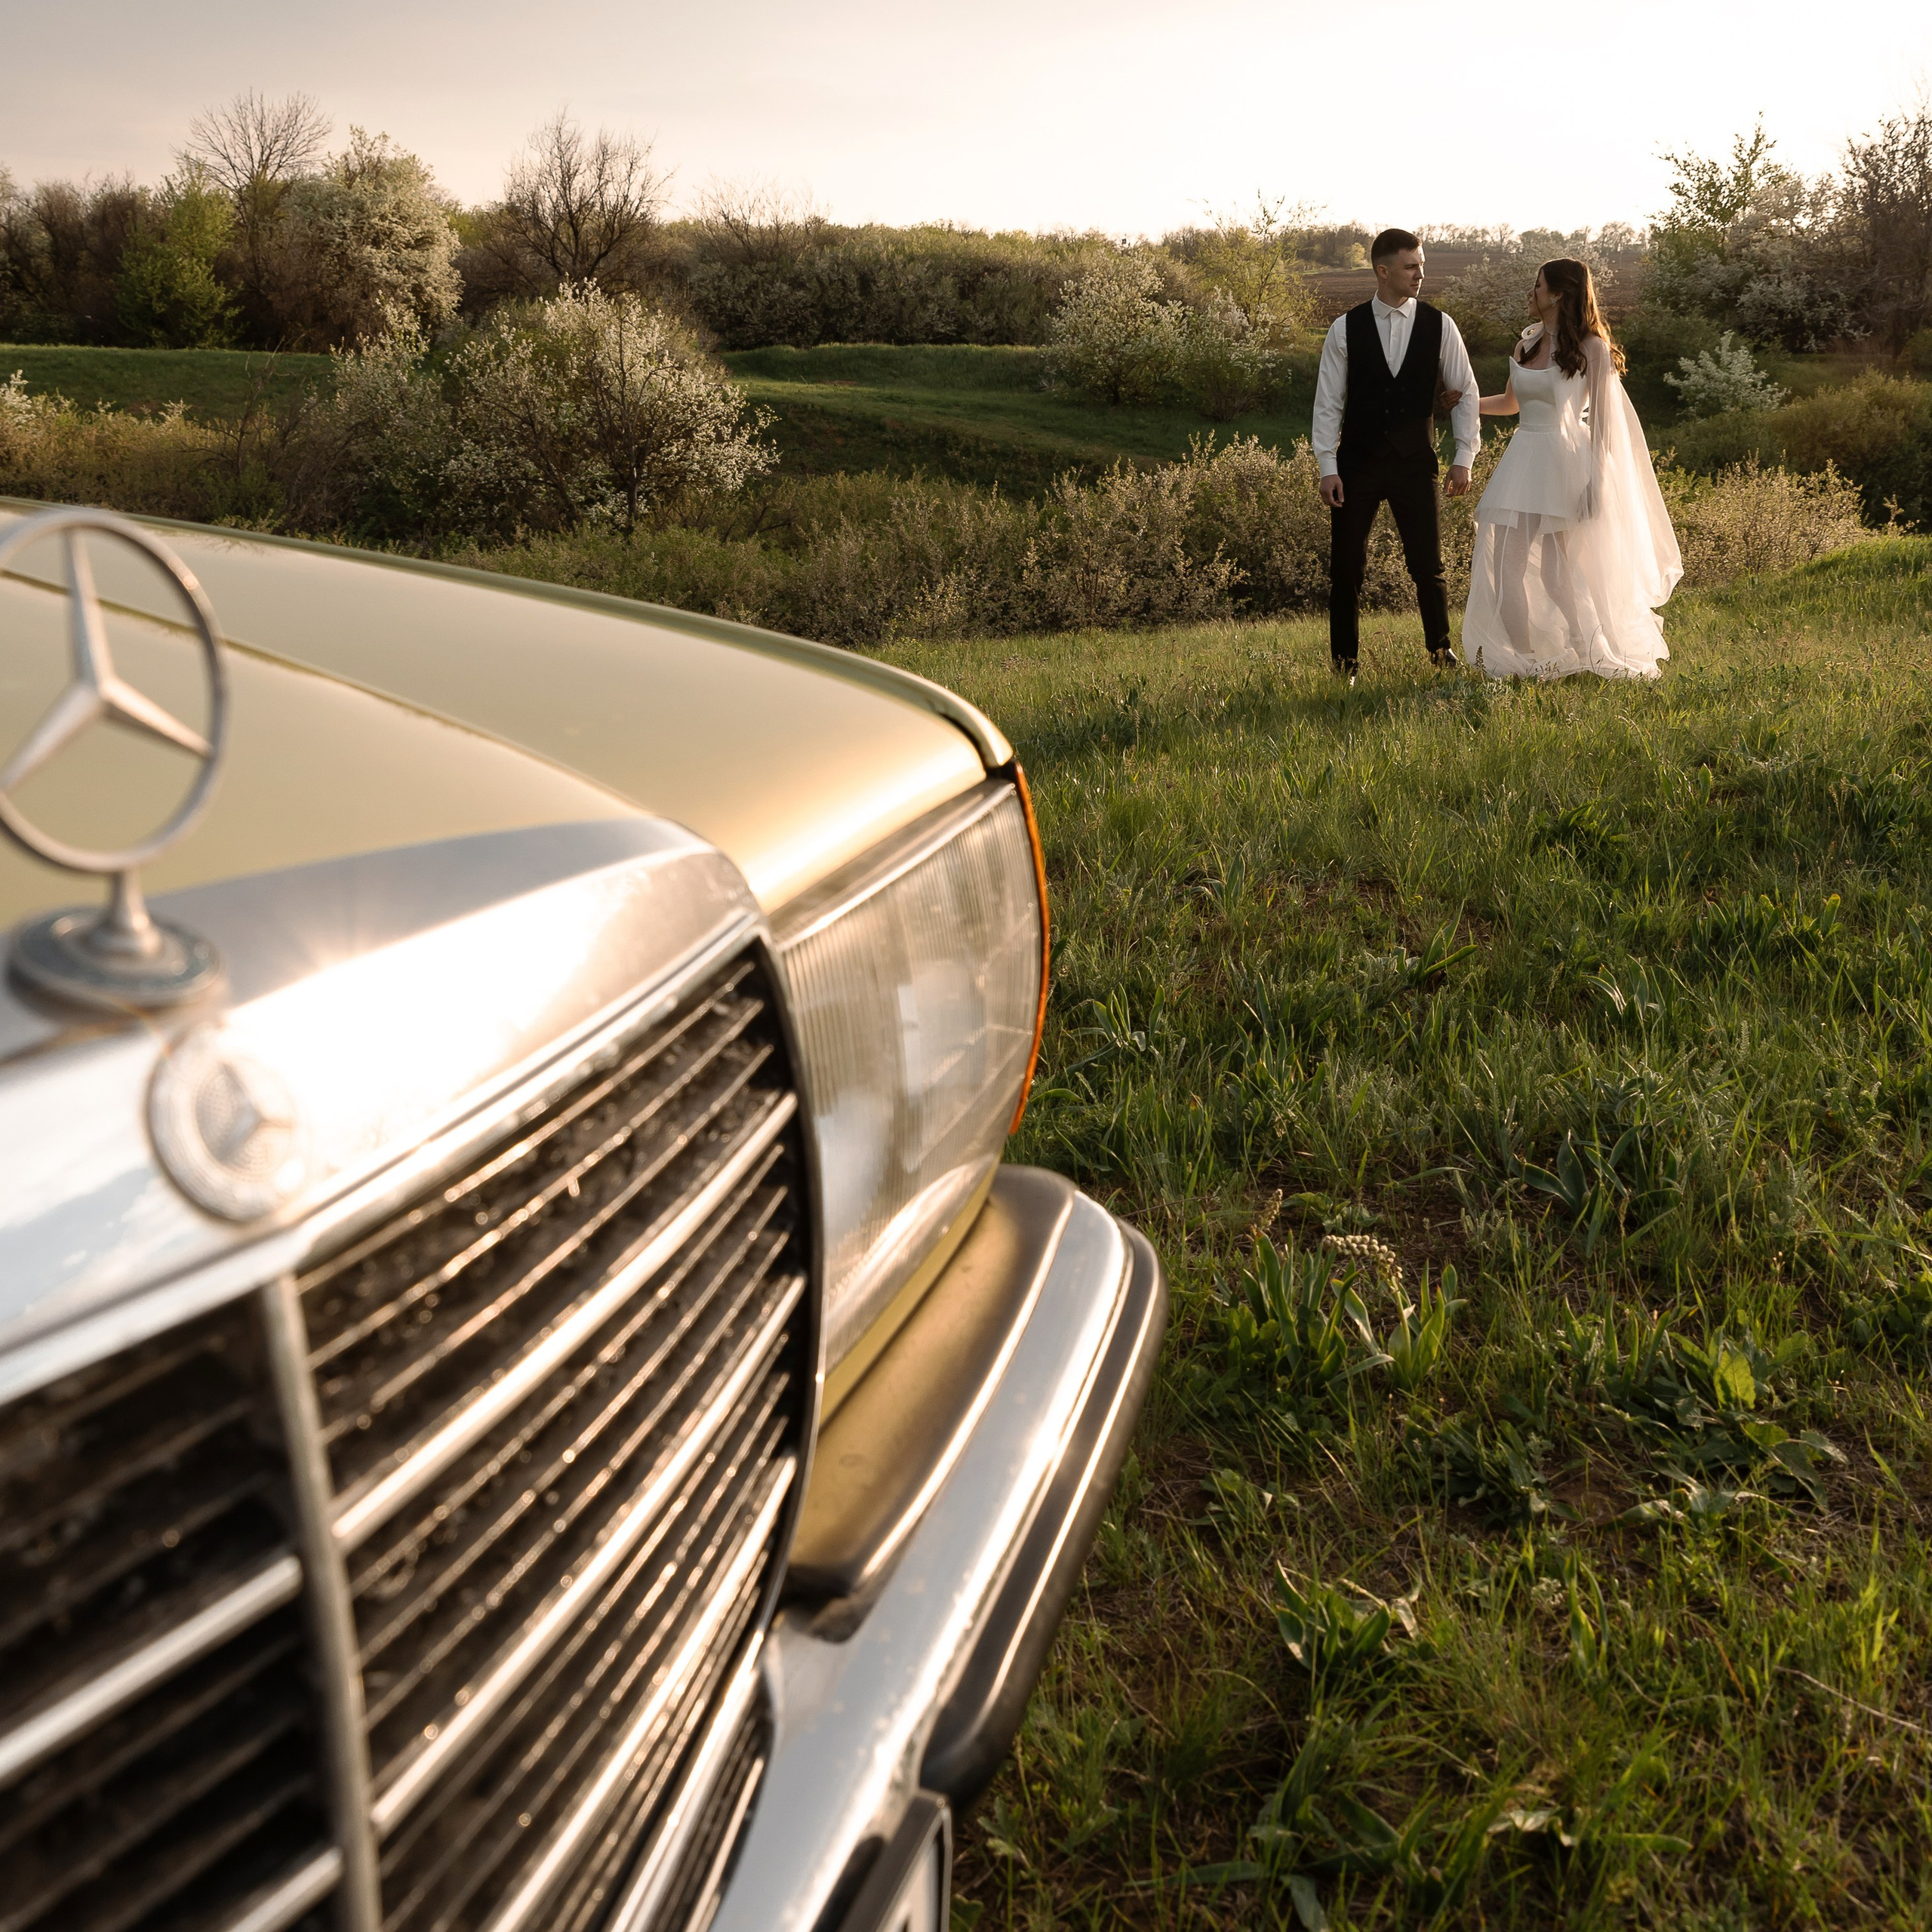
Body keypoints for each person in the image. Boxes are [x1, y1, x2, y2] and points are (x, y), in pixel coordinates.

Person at [1461, 258, 1681, 680]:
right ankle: (1526, 659)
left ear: (1558, 294)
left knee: (1556, 570)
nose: (1532, 292)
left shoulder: (1592, 349)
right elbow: (1511, 404)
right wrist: (1465, 403)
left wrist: (1597, 483)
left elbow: (1602, 425)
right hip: (1524, 459)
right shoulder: (1525, 344)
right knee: (1505, 559)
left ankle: (1586, 646)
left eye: (1538, 285)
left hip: (1567, 463)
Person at [1312, 228, 1481, 681]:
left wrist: (1464, 455)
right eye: (1411, 266)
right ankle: (1344, 662)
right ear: (1382, 271)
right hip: (1357, 465)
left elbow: (1465, 391)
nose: (1421, 274)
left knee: (1428, 564)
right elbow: (1328, 403)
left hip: (1414, 462)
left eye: (1422, 265)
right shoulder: (1344, 328)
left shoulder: (1440, 325)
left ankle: (1440, 649)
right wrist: (1327, 467)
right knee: (1346, 568)